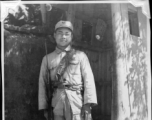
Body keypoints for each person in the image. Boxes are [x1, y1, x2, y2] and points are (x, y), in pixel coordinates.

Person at [38, 20, 97, 120]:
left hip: (77, 102)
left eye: (67, 34)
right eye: (60, 33)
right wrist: (44, 107)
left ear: (71, 36)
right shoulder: (47, 59)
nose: (63, 37)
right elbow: (42, 84)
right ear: (54, 35)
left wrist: (88, 104)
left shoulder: (80, 56)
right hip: (57, 102)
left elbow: (89, 80)